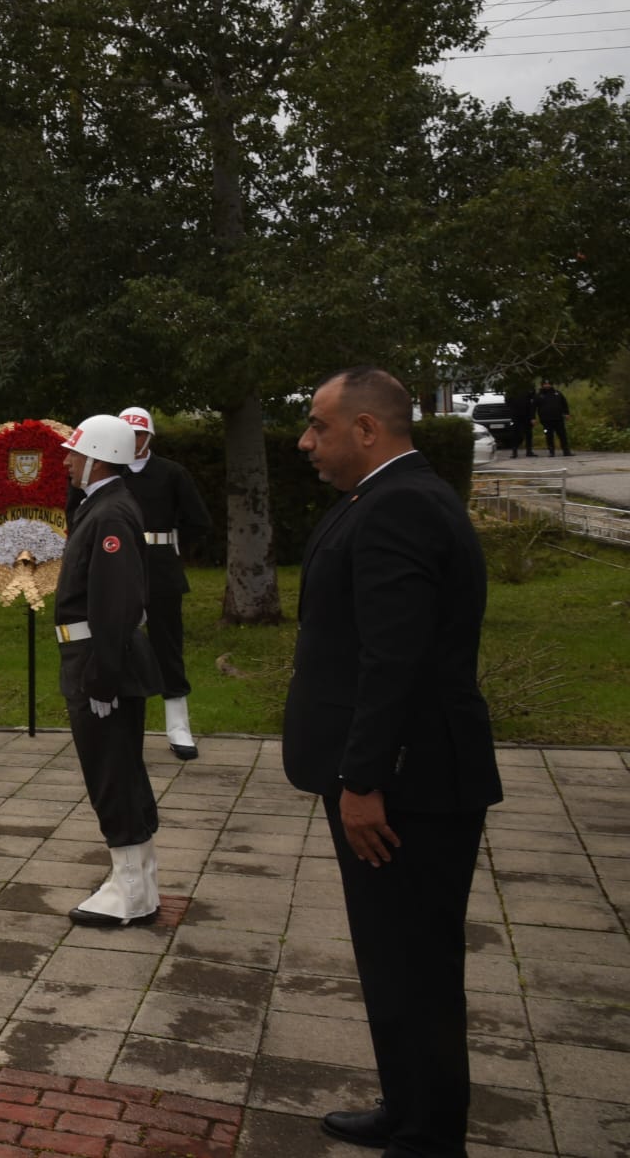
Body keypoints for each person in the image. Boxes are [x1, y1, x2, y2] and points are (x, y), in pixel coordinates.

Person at [285, 367, 502, 1157]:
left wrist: (364, 778)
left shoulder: (400, 505)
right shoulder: (381, 497)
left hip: (408, 785)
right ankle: (408, 1107)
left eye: (319, 425)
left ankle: (428, 1135)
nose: (306, 441)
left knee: (414, 966)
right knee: (393, 960)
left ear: (367, 428)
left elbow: (394, 657)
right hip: (400, 776)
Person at [55, 414, 163, 927]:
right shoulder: (99, 506)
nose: (67, 460)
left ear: (98, 458)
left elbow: (116, 603)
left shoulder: (110, 513)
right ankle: (135, 883)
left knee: (112, 775)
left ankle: (132, 894)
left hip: (100, 661)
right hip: (95, 656)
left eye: (75, 453)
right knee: (118, 771)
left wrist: (102, 676)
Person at [117, 407, 213, 760]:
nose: (134, 441)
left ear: (150, 437)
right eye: (127, 435)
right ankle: (120, 725)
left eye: (139, 435)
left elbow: (198, 521)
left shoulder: (172, 473)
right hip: (118, 567)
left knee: (167, 646)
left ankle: (178, 726)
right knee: (117, 645)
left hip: (160, 569)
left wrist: (170, 546)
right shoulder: (110, 473)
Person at [535, 379, 573, 456]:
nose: (547, 385)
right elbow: (533, 407)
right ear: (542, 385)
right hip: (546, 420)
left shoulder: (557, 393)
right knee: (549, 436)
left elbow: (564, 403)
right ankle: (551, 451)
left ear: (551, 385)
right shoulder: (539, 395)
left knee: (562, 435)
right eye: (545, 384)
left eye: (548, 384)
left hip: (558, 418)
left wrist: (566, 413)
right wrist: (533, 417)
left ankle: (566, 451)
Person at [510, 387, 535, 458]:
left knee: (528, 434)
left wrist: (532, 417)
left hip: (527, 415)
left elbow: (532, 403)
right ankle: (514, 451)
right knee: (516, 434)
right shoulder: (512, 387)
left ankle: (529, 451)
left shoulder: (529, 387)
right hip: (516, 416)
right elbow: (508, 401)